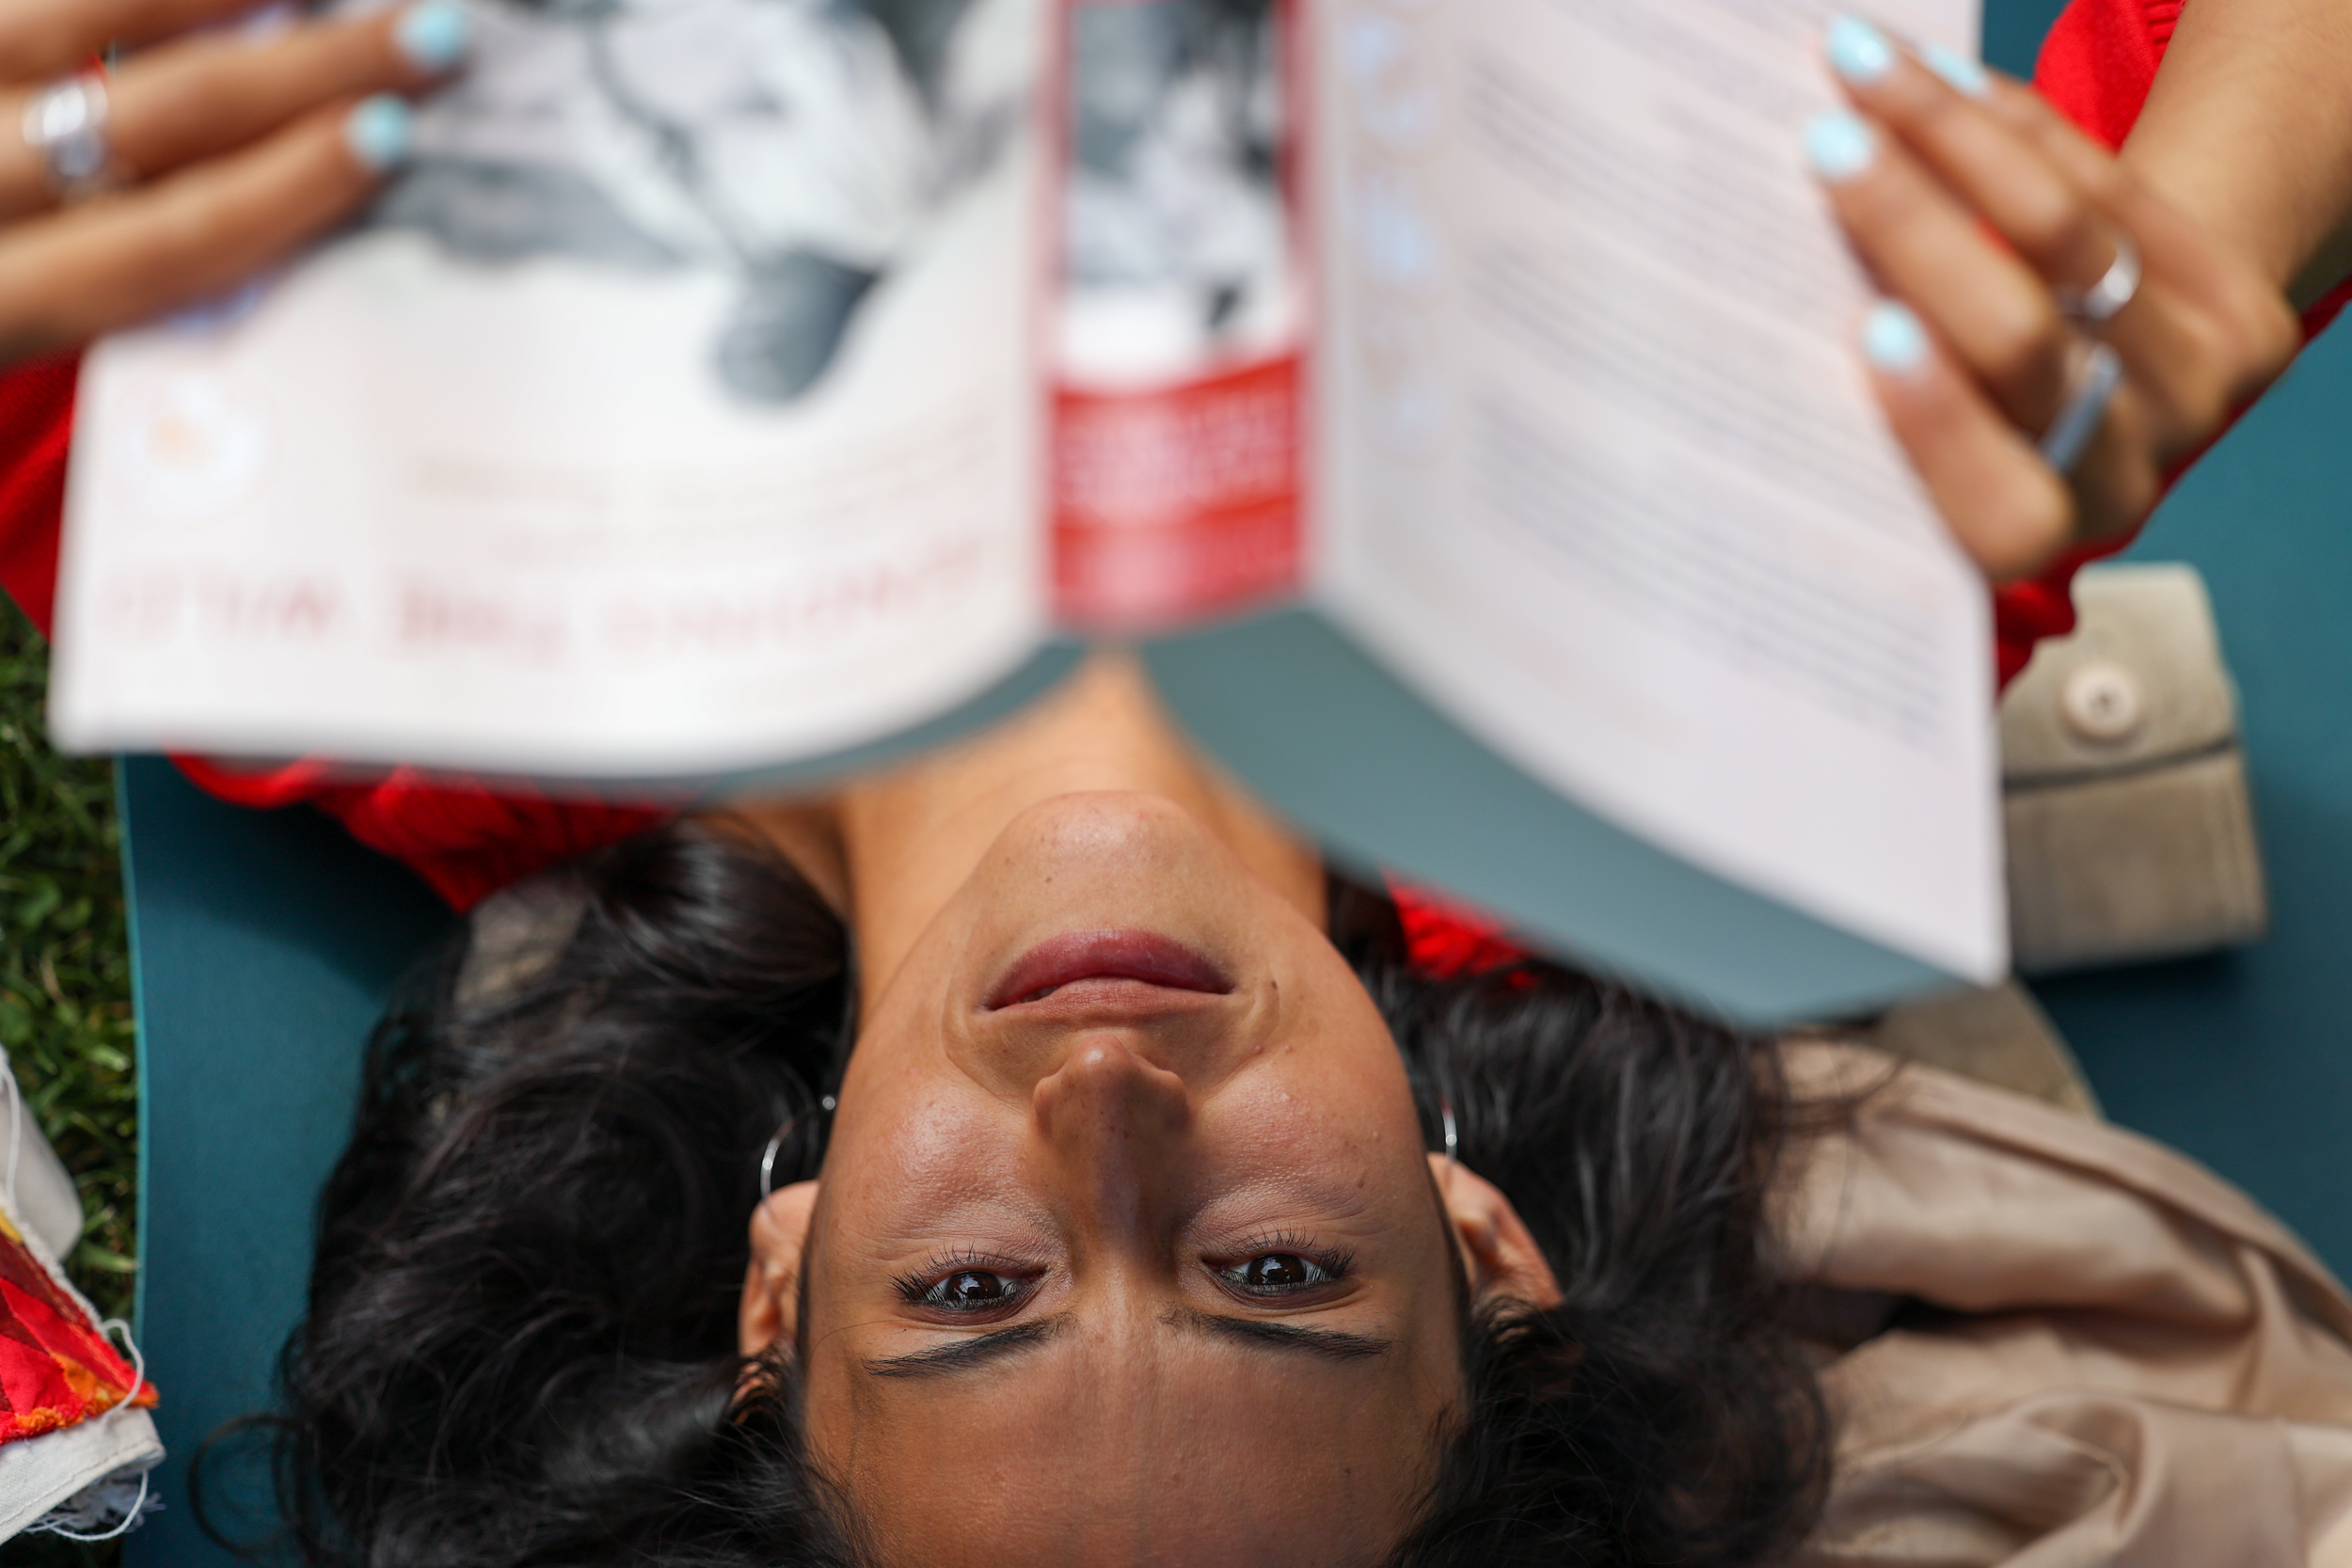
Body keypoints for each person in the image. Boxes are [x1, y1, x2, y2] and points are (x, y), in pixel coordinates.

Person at [1, 1, 2350, 1562]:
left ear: (783, 1280)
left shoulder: (383, 635)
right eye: (1276, 1266)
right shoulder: (1710, 659)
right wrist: (2217, 237)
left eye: (973, 1289)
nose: (1106, 1108)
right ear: (1481, 1250)